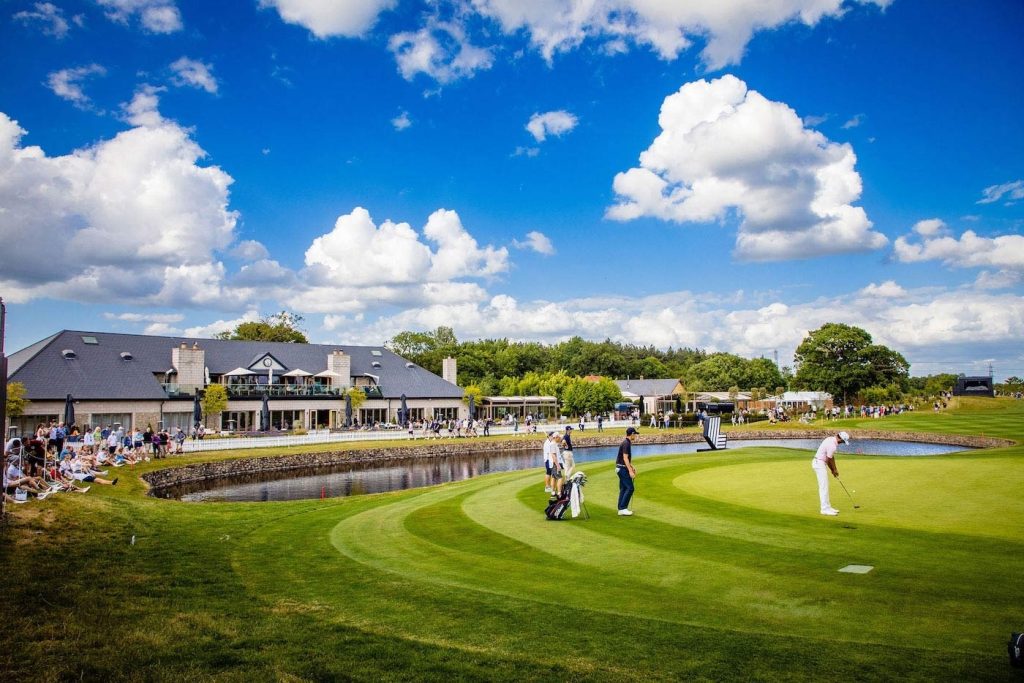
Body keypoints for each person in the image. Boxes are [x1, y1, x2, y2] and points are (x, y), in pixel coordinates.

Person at [812, 431, 850, 515]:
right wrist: (833, 470)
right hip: (819, 463)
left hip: (819, 463)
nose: (842, 443)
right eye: (843, 442)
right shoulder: (832, 445)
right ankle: (824, 509)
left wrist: (835, 469)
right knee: (823, 487)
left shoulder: (830, 439)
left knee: (825, 485)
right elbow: (829, 460)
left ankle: (828, 507)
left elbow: (831, 457)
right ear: (841, 440)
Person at [616, 427, 639, 516]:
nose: (636, 436)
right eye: (635, 434)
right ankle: (623, 508)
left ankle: (621, 508)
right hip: (622, 468)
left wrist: (632, 466)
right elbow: (625, 458)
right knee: (630, 488)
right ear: (632, 434)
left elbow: (625, 459)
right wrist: (630, 471)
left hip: (620, 467)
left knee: (624, 488)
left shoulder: (626, 442)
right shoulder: (626, 443)